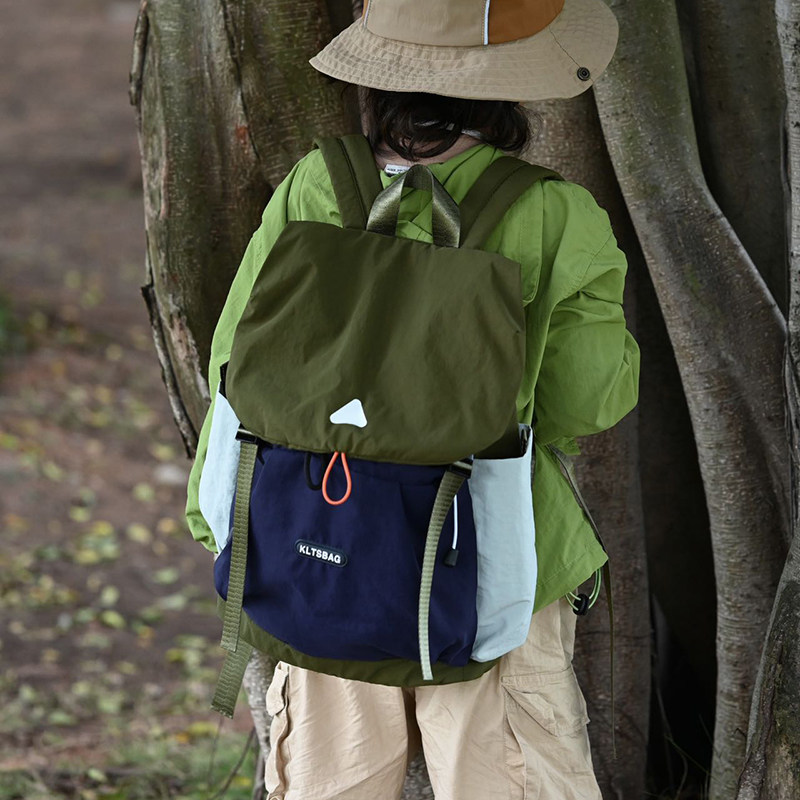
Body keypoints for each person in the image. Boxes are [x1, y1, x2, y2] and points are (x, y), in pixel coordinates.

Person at [186, 0, 640, 797]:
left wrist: (220, 518)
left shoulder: (313, 185)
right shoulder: (552, 213)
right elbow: (587, 400)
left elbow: (236, 365)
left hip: (318, 549)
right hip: (492, 562)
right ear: (507, 83)